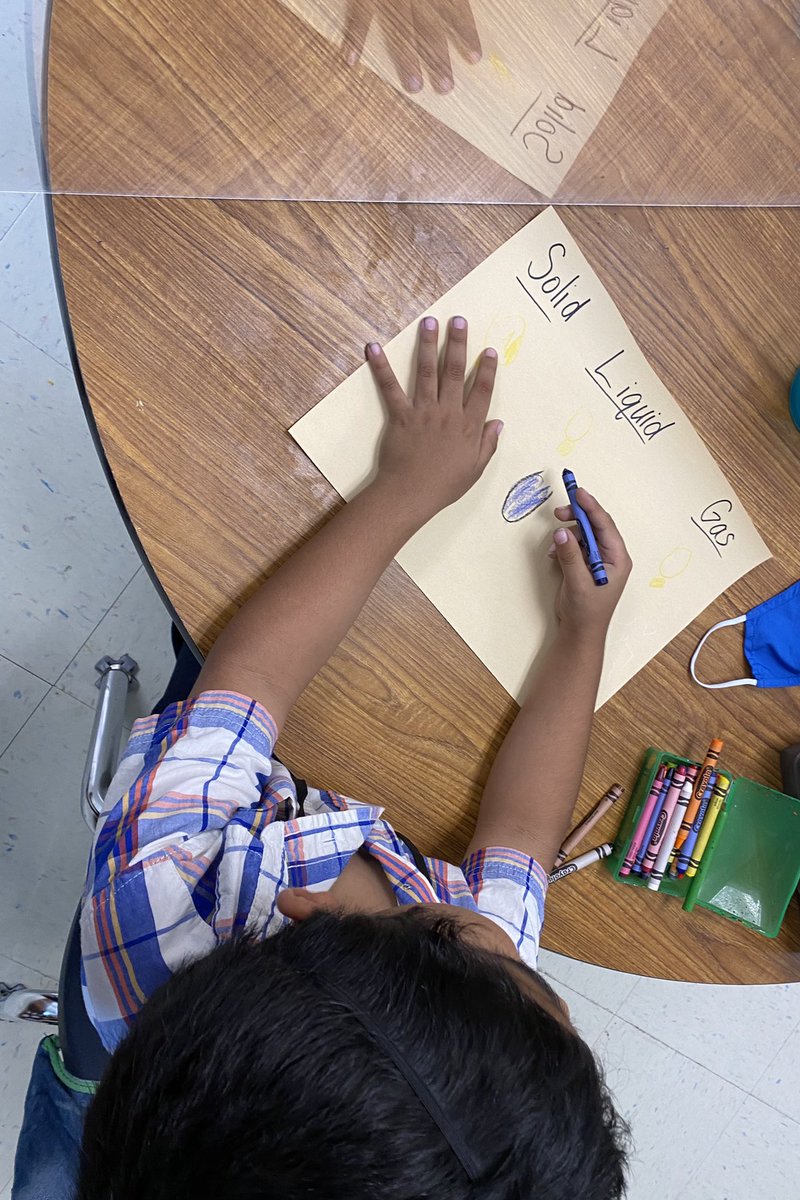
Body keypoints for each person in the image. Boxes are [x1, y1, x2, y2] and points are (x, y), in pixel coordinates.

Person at [75, 315, 632, 1199]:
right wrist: (582, 640)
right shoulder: (469, 1010)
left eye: (512, 966)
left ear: (303, 914)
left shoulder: (157, 900)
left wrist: (403, 490)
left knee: (206, 602)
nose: (517, 946)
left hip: (165, 936)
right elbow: (522, 839)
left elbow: (249, 676)